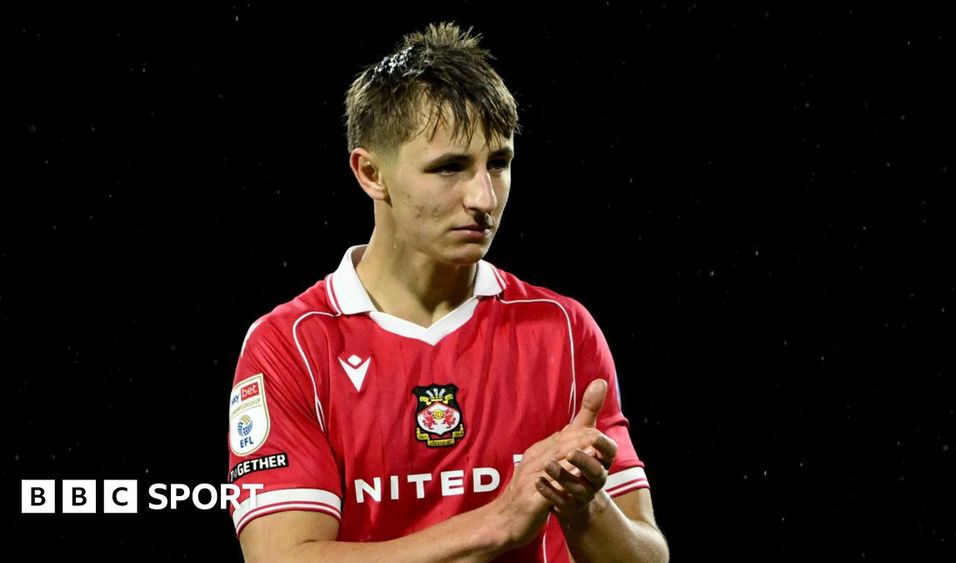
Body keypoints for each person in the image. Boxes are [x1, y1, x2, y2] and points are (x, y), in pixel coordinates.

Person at [226, 21, 670, 562]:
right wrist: (498, 523)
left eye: (498, 163)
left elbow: (647, 557)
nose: (484, 198)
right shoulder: (291, 344)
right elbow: (281, 558)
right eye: (450, 167)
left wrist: (584, 505)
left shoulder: (562, 329)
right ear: (371, 173)